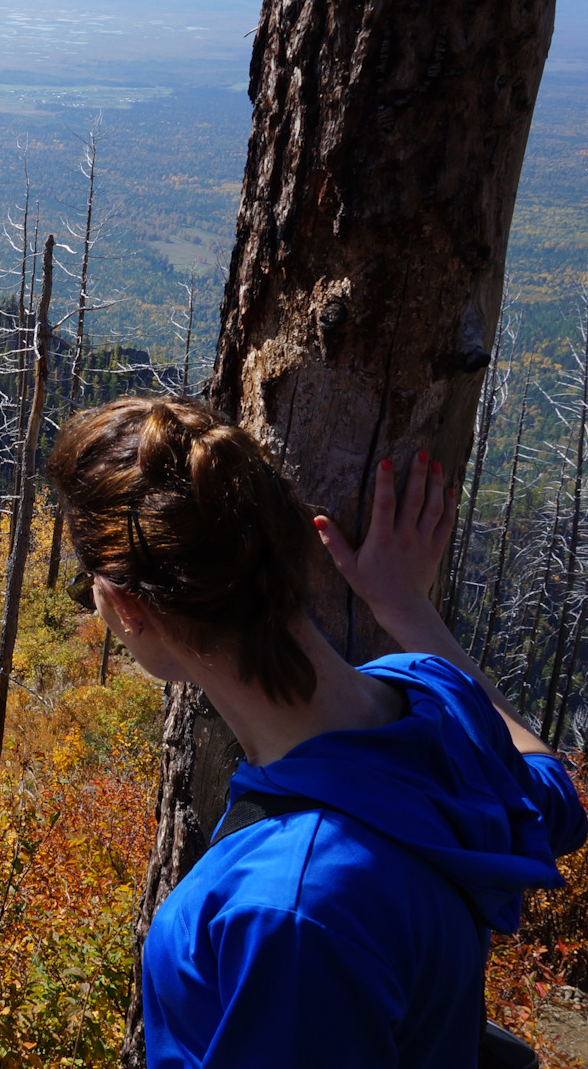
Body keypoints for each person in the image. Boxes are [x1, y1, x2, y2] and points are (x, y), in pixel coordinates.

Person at [46, 396, 586, 1069]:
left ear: (128, 608)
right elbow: (553, 797)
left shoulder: (286, 910)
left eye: (85, 590)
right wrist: (410, 612)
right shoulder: (436, 700)